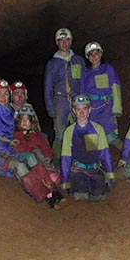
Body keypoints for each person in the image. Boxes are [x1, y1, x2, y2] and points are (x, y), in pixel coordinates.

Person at [0, 79, 38, 183]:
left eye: (6, 93)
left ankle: (49, 189)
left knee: (31, 157)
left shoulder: (10, 112)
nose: (3, 97)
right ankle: (42, 194)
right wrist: (6, 153)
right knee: (19, 166)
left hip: (9, 149)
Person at [60, 94, 115, 202]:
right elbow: (66, 158)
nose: (81, 113)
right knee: (81, 196)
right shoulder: (69, 132)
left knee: (99, 196)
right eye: (78, 109)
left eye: (84, 109)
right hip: (78, 170)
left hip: (95, 169)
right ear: (73, 111)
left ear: (89, 109)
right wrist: (65, 181)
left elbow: (105, 153)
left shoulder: (98, 129)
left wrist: (110, 174)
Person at [43, 28, 86, 169]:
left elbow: (84, 81)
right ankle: (57, 163)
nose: (64, 43)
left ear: (71, 41)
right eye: (61, 40)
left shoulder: (78, 60)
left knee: (83, 130)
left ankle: (88, 160)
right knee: (60, 133)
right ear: (57, 42)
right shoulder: (52, 63)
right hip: (60, 100)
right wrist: (49, 106)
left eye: (67, 40)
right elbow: (48, 86)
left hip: (77, 100)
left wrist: (86, 101)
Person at [12, 105, 65, 209]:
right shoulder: (17, 134)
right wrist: (30, 147)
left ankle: (54, 191)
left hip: (40, 162)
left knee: (52, 175)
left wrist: (47, 157)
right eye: (22, 119)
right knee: (39, 173)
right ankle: (50, 198)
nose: (24, 121)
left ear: (32, 122)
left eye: (27, 119)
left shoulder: (37, 134)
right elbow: (18, 148)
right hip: (28, 161)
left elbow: (45, 147)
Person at [80, 41, 124, 150]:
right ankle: (95, 164)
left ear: (101, 54)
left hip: (106, 107)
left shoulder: (108, 69)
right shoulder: (85, 73)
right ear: (88, 57)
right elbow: (82, 93)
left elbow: (115, 87)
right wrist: (82, 112)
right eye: (91, 54)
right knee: (92, 138)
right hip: (92, 110)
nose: (94, 56)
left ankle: (127, 157)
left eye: (96, 53)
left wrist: (117, 107)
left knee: (111, 137)